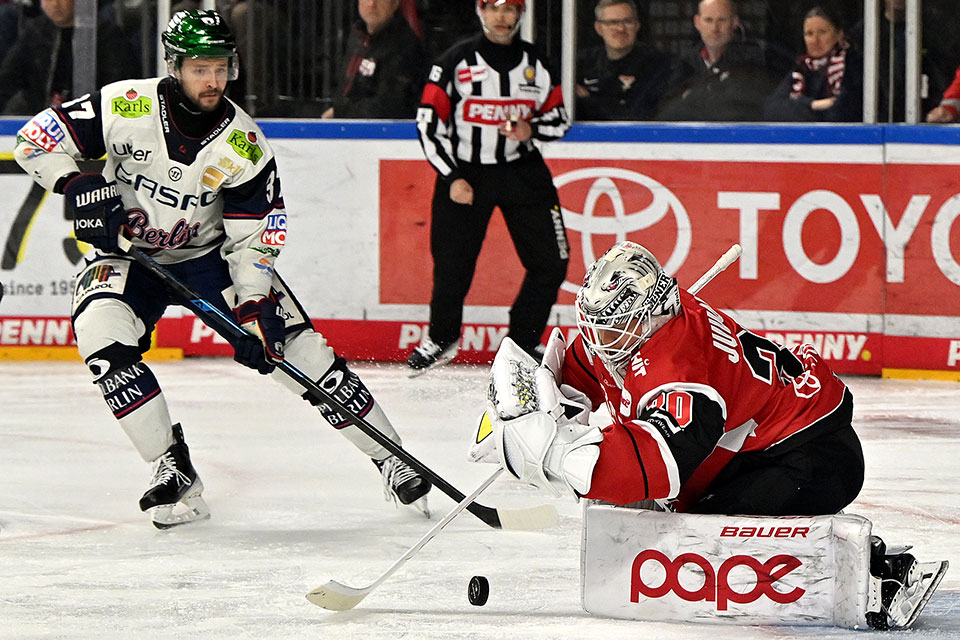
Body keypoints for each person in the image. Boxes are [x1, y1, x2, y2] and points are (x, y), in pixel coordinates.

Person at [14, 9, 431, 528]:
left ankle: (391, 456)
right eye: (199, 69)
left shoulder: (242, 144)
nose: (212, 81)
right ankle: (171, 463)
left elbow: (255, 237)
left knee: (295, 350)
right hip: (128, 256)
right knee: (100, 333)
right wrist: (76, 183)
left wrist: (254, 304)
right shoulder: (124, 103)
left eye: (220, 68)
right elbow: (33, 139)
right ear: (174, 67)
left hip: (210, 259)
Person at [477, 240, 946, 630]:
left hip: (811, 457)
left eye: (613, 328)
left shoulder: (680, 371)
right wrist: (533, 405)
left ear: (649, 315)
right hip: (768, 444)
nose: (602, 340)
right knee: (659, 521)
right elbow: (584, 368)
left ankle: (875, 576)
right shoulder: (639, 327)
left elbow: (656, 467)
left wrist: (555, 455)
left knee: (697, 541)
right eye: (598, 327)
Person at [407, 0, 570, 373]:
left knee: (552, 260)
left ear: (521, 14)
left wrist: (531, 129)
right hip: (467, 173)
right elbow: (428, 125)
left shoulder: (537, 62)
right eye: (493, 7)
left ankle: (522, 341)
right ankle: (441, 337)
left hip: (523, 171)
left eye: (510, 8)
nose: (501, 17)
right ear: (480, 11)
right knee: (452, 264)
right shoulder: (454, 61)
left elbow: (560, 118)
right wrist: (452, 176)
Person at [0, 0, 139, 114]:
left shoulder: (107, 36)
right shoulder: (35, 33)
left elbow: (118, 88)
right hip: (40, 120)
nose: (55, 4)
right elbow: (7, 79)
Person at [657, 0, 778, 121]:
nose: (715, 28)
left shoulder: (750, 60)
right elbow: (668, 109)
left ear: (735, 22)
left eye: (722, 20)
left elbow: (747, 105)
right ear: (697, 22)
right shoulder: (685, 62)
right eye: (708, 20)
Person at [321, 0, 427, 119]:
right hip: (347, 124)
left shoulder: (404, 46)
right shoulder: (358, 34)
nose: (372, 4)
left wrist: (340, 112)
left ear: (395, 4)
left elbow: (388, 106)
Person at [575, 0, 674, 121]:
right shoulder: (583, 62)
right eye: (612, 22)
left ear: (637, 26)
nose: (621, 29)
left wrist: (588, 100)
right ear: (599, 28)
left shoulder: (657, 66)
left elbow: (638, 114)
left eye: (628, 22)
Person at [764, 6, 863, 122]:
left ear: (839, 35)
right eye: (809, 34)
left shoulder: (854, 65)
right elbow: (772, 109)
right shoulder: (801, 69)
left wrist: (798, 108)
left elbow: (842, 112)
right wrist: (813, 104)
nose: (815, 40)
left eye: (822, 32)